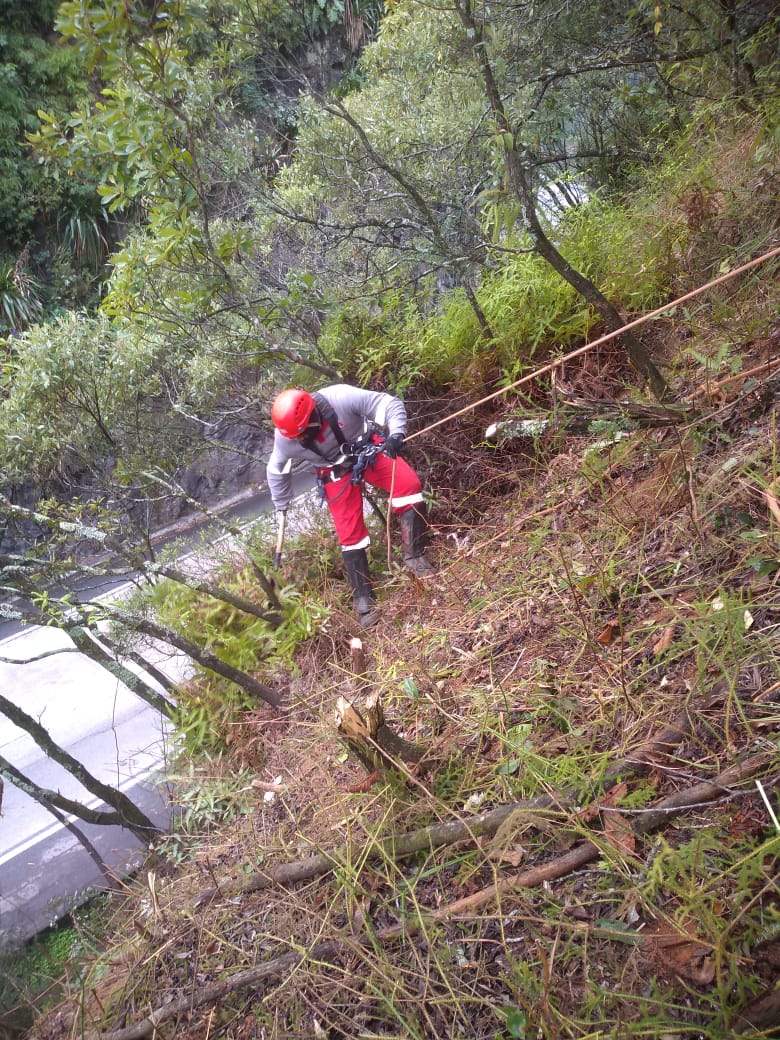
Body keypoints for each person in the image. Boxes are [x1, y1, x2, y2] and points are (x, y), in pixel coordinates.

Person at [266, 384, 434, 626]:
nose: (299, 440)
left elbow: (388, 404)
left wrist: (396, 434)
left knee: (408, 485)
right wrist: (281, 505)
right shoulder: (287, 436)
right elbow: (277, 470)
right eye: (295, 437)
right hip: (334, 471)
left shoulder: (341, 398)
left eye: (302, 434)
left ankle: (415, 557)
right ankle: (364, 600)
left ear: (312, 416)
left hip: (368, 449)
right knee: (348, 533)